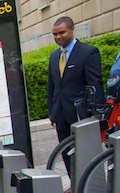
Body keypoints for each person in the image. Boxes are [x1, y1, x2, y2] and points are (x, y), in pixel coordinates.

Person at [47, 16, 104, 173]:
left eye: (62, 33)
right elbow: (52, 86)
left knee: (86, 152)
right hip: (60, 114)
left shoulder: (88, 52)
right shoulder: (54, 56)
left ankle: (90, 186)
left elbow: (95, 83)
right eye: (54, 34)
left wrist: (96, 113)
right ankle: (74, 186)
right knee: (66, 153)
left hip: (81, 113)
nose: (58, 37)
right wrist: (51, 111)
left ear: (72, 29)